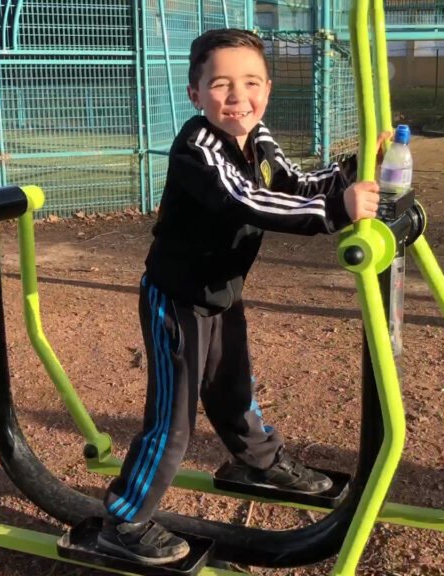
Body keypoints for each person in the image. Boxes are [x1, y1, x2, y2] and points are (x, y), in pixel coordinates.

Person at [95, 28, 385, 565]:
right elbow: (248, 201)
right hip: (177, 299)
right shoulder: (197, 148)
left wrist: (350, 171)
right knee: (173, 419)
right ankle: (126, 519)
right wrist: (337, 210)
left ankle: (259, 460)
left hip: (222, 291)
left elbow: (293, 183)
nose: (238, 97)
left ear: (267, 90)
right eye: (221, 85)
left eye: (250, 83)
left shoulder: (260, 137)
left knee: (233, 387)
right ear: (195, 94)